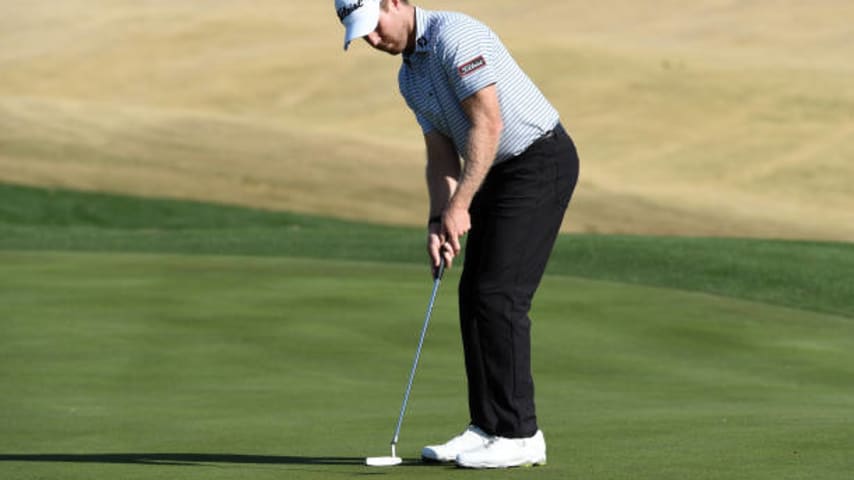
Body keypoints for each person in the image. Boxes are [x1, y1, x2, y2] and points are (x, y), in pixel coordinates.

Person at [334, 0, 579, 469]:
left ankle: (521, 434)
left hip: (538, 160)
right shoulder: (409, 77)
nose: (371, 40)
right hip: (495, 171)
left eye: (373, 26)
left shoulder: (454, 36)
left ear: (394, 3)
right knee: (474, 294)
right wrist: (437, 219)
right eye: (360, 34)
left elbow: (489, 123)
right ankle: (488, 427)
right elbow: (441, 156)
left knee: (499, 295)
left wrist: (461, 204)